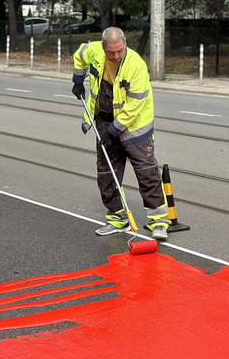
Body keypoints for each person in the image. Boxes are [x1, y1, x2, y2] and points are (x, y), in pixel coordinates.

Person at [71, 27, 170, 240]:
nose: (116, 56)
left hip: (135, 127)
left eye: (119, 51)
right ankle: (118, 218)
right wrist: (78, 80)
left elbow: (135, 104)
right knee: (107, 174)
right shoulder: (94, 52)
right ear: (103, 47)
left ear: (125, 42)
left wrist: (115, 130)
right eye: (111, 52)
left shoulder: (136, 65)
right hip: (104, 119)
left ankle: (158, 222)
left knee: (147, 172)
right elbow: (79, 55)